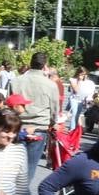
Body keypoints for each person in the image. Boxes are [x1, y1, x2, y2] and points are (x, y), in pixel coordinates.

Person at [12, 51, 61, 186]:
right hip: (39, 126)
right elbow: (54, 108)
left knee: (14, 165)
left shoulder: (16, 81)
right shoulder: (50, 85)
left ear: (30, 64)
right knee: (30, 166)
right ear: (44, 66)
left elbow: (10, 102)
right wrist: (53, 122)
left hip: (18, 126)